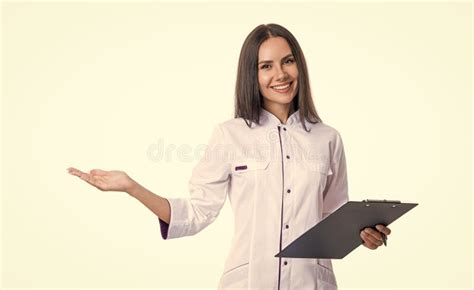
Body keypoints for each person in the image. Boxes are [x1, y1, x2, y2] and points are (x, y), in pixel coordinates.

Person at [68, 23, 391, 290]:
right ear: (253, 74)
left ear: (300, 66)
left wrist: (364, 235)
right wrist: (131, 186)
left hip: (312, 283)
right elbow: (196, 213)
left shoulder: (327, 139)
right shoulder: (229, 135)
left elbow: (334, 222)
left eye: (287, 61)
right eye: (266, 66)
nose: (280, 74)